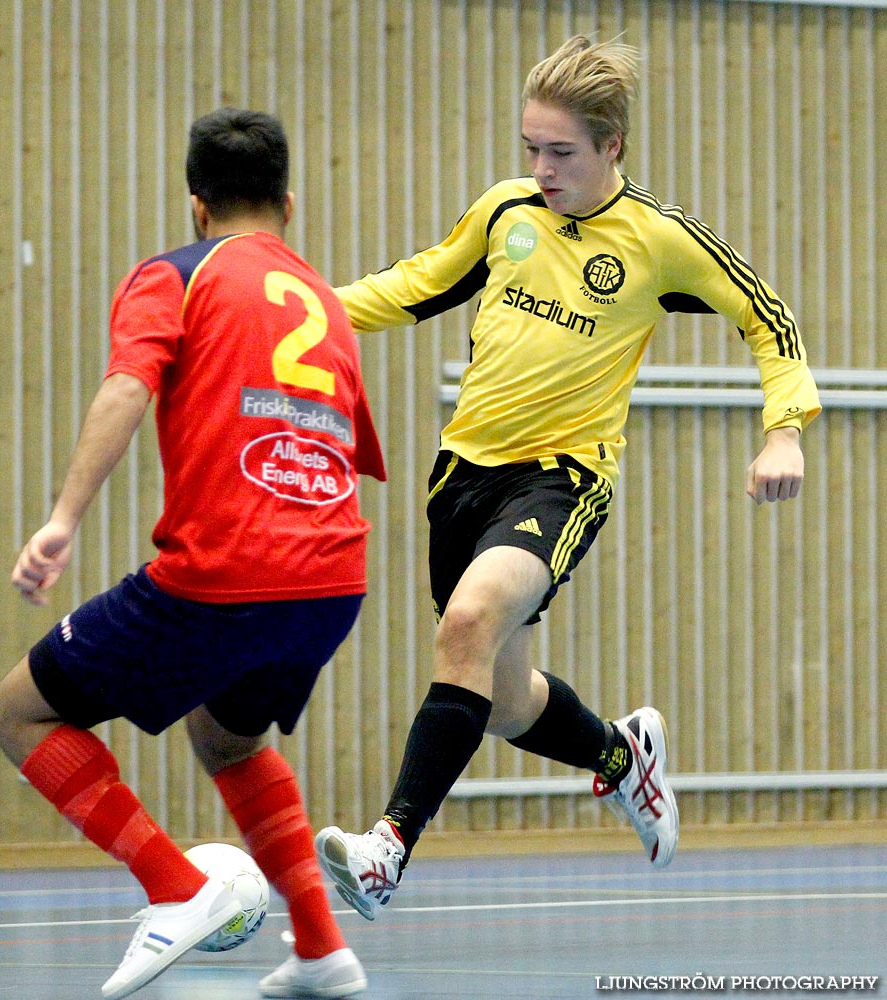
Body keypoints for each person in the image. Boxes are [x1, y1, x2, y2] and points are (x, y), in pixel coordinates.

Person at [314, 35, 821, 920]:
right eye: (530, 149)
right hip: (461, 477)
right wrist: (292, 305)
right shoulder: (505, 212)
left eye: (562, 152)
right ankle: (623, 759)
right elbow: (414, 285)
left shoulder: (658, 241)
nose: (541, 168)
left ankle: (387, 849)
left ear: (611, 146)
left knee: (466, 622)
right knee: (506, 703)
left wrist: (784, 430)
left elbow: (766, 318)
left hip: (560, 478)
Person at [0, 107, 385, 999]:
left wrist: (63, 517)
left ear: (196, 206)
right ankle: (321, 949)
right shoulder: (324, 302)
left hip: (229, 571)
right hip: (333, 579)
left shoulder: (178, 273)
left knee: (19, 714)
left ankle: (177, 889)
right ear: (289, 203)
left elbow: (129, 384)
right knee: (229, 740)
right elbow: (344, 450)